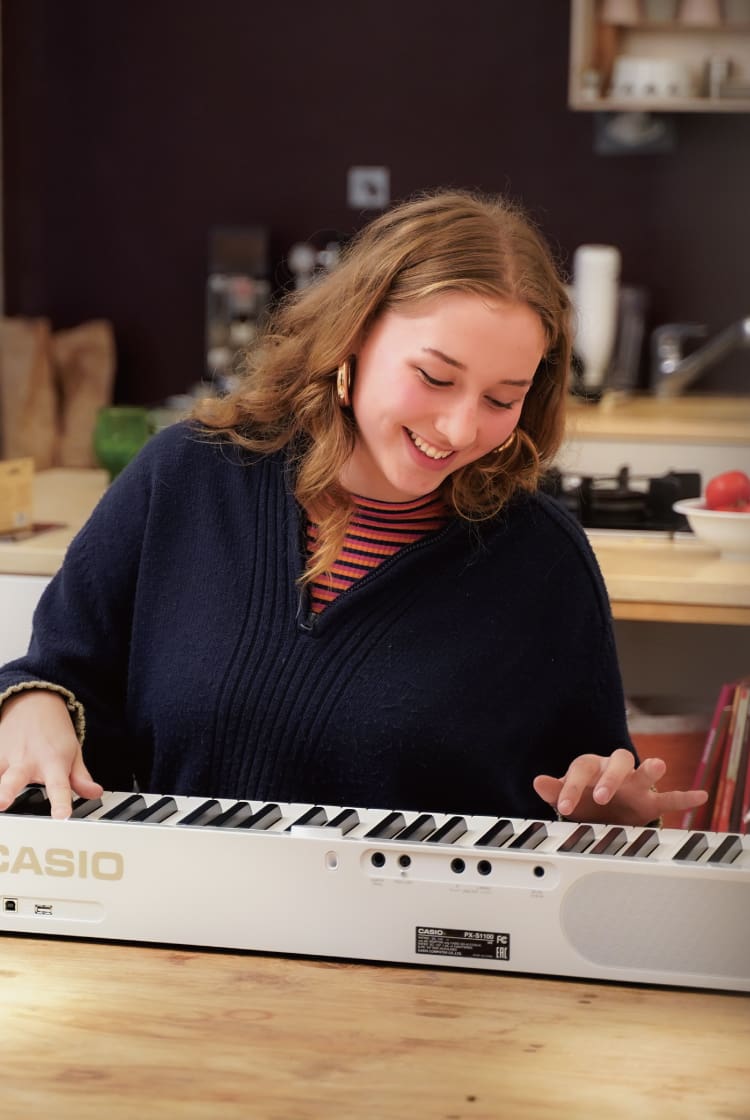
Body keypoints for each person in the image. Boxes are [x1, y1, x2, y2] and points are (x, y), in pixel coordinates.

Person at [0, 188, 706, 829]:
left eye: (501, 398)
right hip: (168, 937)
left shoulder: (543, 562)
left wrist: (614, 814)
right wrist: (30, 706)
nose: (460, 429)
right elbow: (56, 675)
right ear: (353, 338)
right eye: (434, 377)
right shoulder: (183, 477)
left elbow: (590, 793)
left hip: (424, 955)